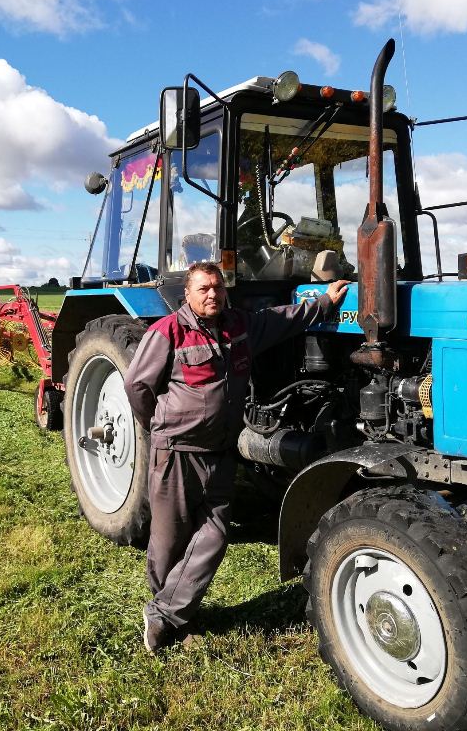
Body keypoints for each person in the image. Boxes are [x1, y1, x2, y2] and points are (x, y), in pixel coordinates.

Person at [123, 261, 350, 652]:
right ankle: (177, 618)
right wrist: (158, 426)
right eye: (204, 289)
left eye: (217, 287)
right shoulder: (168, 332)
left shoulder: (239, 326)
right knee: (169, 537)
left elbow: (284, 319)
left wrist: (324, 303)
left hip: (220, 450)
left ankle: (163, 613)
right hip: (175, 450)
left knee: (215, 534)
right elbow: (137, 385)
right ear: (188, 296)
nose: (212, 294)